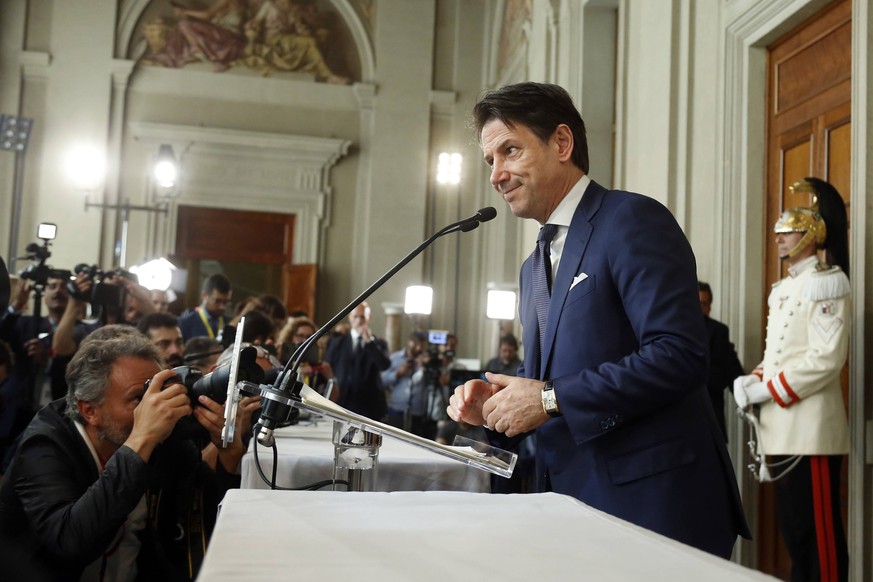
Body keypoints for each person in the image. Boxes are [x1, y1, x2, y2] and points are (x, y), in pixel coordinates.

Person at [448, 82, 749, 557]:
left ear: (562, 144)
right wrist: (495, 406)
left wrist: (547, 398)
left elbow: (680, 354)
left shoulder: (630, 220)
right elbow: (546, 384)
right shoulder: (532, 269)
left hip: (653, 504)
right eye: (490, 161)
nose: (497, 175)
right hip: (570, 502)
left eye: (509, 150)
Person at [0, 328, 248, 580]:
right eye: (139, 398)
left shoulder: (166, 438)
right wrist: (141, 440)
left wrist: (226, 453)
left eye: (157, 393)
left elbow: (191, 518)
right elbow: (71, 541)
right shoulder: (44, 446)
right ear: (89, 410)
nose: (154, 408)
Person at [733, 177, 850, 581]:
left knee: (820, 537)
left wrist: (768, 389)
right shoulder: (784, 288)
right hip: (780, 428)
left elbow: (826, 359)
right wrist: (752, 380)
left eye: (790, 233)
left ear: (811, 235)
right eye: (780, 234)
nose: (780, 240)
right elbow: (780, 353)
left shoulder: (826, 283)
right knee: (796, 534)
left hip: (810, 428)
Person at [324, 302, 390, 420]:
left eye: (363, 317)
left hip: (369, 405)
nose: (359, 320)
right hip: (342, 401)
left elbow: (384, 365)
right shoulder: (337, 342)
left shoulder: (378, 343)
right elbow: (328, 366)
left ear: (369, 318)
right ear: (350, 318)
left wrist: (369, 342)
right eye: (355, 316)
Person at [698, 281, 744, 441]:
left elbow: (728, 371)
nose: (698, 309)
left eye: (703, 304)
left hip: (709, 413)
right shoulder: (671, 329)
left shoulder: (717, 331)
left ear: (709, 307)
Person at [382, 332, 430, 436]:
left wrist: (426, 367)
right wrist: (398, 374)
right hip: (397, 408)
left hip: (418, 411)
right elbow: (382, 380)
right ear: (409, 342)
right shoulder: (395, 358)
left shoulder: (427, 361)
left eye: (422, 345)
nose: (418, 348)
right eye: (416, 344)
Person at [179, 273, 232, 341]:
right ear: (204, 296)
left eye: (226, 302)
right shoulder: (185, 323)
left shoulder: (228, 323)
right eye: (217, 301)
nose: (222, 307)